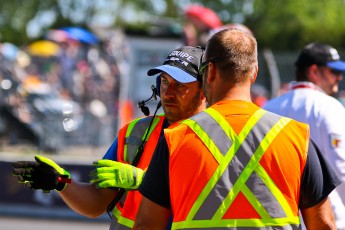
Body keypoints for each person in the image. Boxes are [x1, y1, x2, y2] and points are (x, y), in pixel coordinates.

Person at [134, 29, 340, 229]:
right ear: (254, 74)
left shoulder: (176, 139)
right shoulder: (297, 136)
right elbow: (324, 225)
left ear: (211, 71)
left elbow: (147, 225)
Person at [12, 46, 207, 229]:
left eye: (180, 86)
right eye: (164, 82)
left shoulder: (215, 138)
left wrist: (146, 181)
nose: (168, 93)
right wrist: (61, 182)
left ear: (203, 92)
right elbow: (96, 203)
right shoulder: (136, 133)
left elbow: (209, 198)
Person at [263, 42, 345, 229]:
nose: (339, 78)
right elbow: (341, 167)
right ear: (314, 71)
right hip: (327, 217)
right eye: (334, 72)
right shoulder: (329, 106)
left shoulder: (268, 108)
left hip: (279, 217)